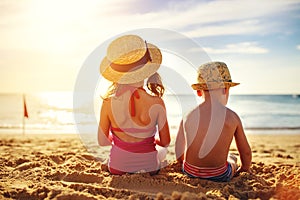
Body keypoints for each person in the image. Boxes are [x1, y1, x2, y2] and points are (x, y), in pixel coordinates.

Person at [98, 35, 170, 175]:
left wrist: (121, 139)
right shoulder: (157, 103)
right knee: (163, 151)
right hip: (150, 168)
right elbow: (165, 141)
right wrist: (145, 140)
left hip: (118, 168)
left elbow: (102, 141)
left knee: (112, 158)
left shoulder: (108, 103)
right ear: (146, 70)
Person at [175, 61, 252, 182]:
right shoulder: (232, 117)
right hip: (219, 175)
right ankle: (231, 161)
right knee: (232, 158)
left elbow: (179, 151)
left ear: (199, 91)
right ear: (225, 90)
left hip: (189, 171)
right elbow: (246, 152)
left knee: (227, 158)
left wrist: (184, 163)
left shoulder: (188, 115)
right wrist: (245, 169)